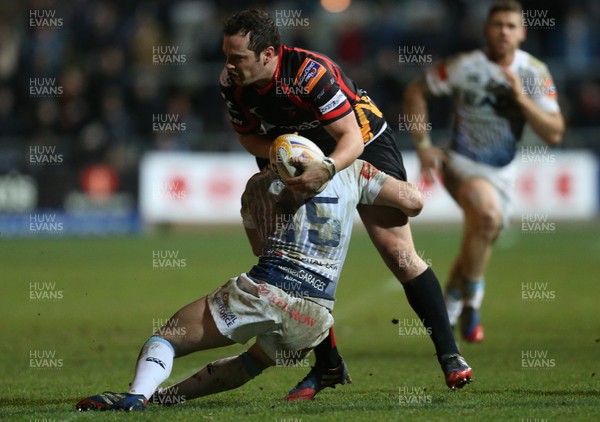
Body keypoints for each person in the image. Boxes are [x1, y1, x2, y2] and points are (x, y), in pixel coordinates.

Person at [219, 9, 472, 400]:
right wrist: (286, 155)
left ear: (268, 54)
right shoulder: (232, 83)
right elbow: (248, 137)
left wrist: (327, 168)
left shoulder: (309, 74)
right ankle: (329, 365)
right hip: (298, 154)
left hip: (360, 145)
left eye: (238, 58)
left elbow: (350, 137)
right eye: (227, 56)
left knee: (397, 253)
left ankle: (450, 355)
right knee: (296, 266)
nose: (229, 66)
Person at [75, 137, 425, 412]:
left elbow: (259, 248)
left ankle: (137, 396)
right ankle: (164, 400)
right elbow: (414, 203)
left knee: (166, 338)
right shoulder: (354, 172)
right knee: (251, 364)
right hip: (316, 316)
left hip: (267, 292)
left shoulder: (261, 186)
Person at [403, 0, 564, 343]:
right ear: (487, 30)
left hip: (502, 171)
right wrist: (423, 144)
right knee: (488, 219)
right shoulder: (464, 67)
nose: (503, 31)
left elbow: (555, 132)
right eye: (497, 25)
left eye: (510, 25)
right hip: (459, 163)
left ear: (522, 32)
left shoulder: (535, 73)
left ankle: (453, 296)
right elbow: (416, 90)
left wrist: (521, 100)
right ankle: (473, 303)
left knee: (482, 231)